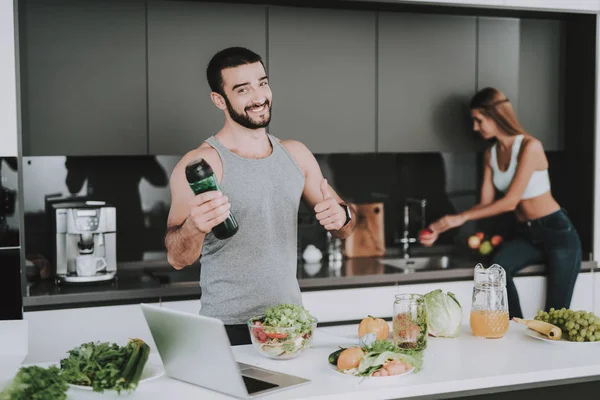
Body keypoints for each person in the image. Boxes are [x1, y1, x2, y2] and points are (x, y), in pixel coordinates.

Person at [164, 47, 356, 345]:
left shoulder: (296, 154)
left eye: (262, 83)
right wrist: (194, 227)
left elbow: (347, 226)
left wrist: (342, 216)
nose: (258, 97)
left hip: (291, 323)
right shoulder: (204, 164)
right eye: (243, 89)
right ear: (219, 99)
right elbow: (177, 258)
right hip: (228, 328)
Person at [420, 87, 582, 319]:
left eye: (479, 120)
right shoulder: (491, 154)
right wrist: (444, 224)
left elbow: (510, 202)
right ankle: (516, 326)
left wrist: (461, 217)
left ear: (496, 115)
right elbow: (485, 204)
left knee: (555, 317)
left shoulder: (530, 146)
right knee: (496, 271)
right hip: (527, 234)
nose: (475, 128)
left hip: (557, 233)